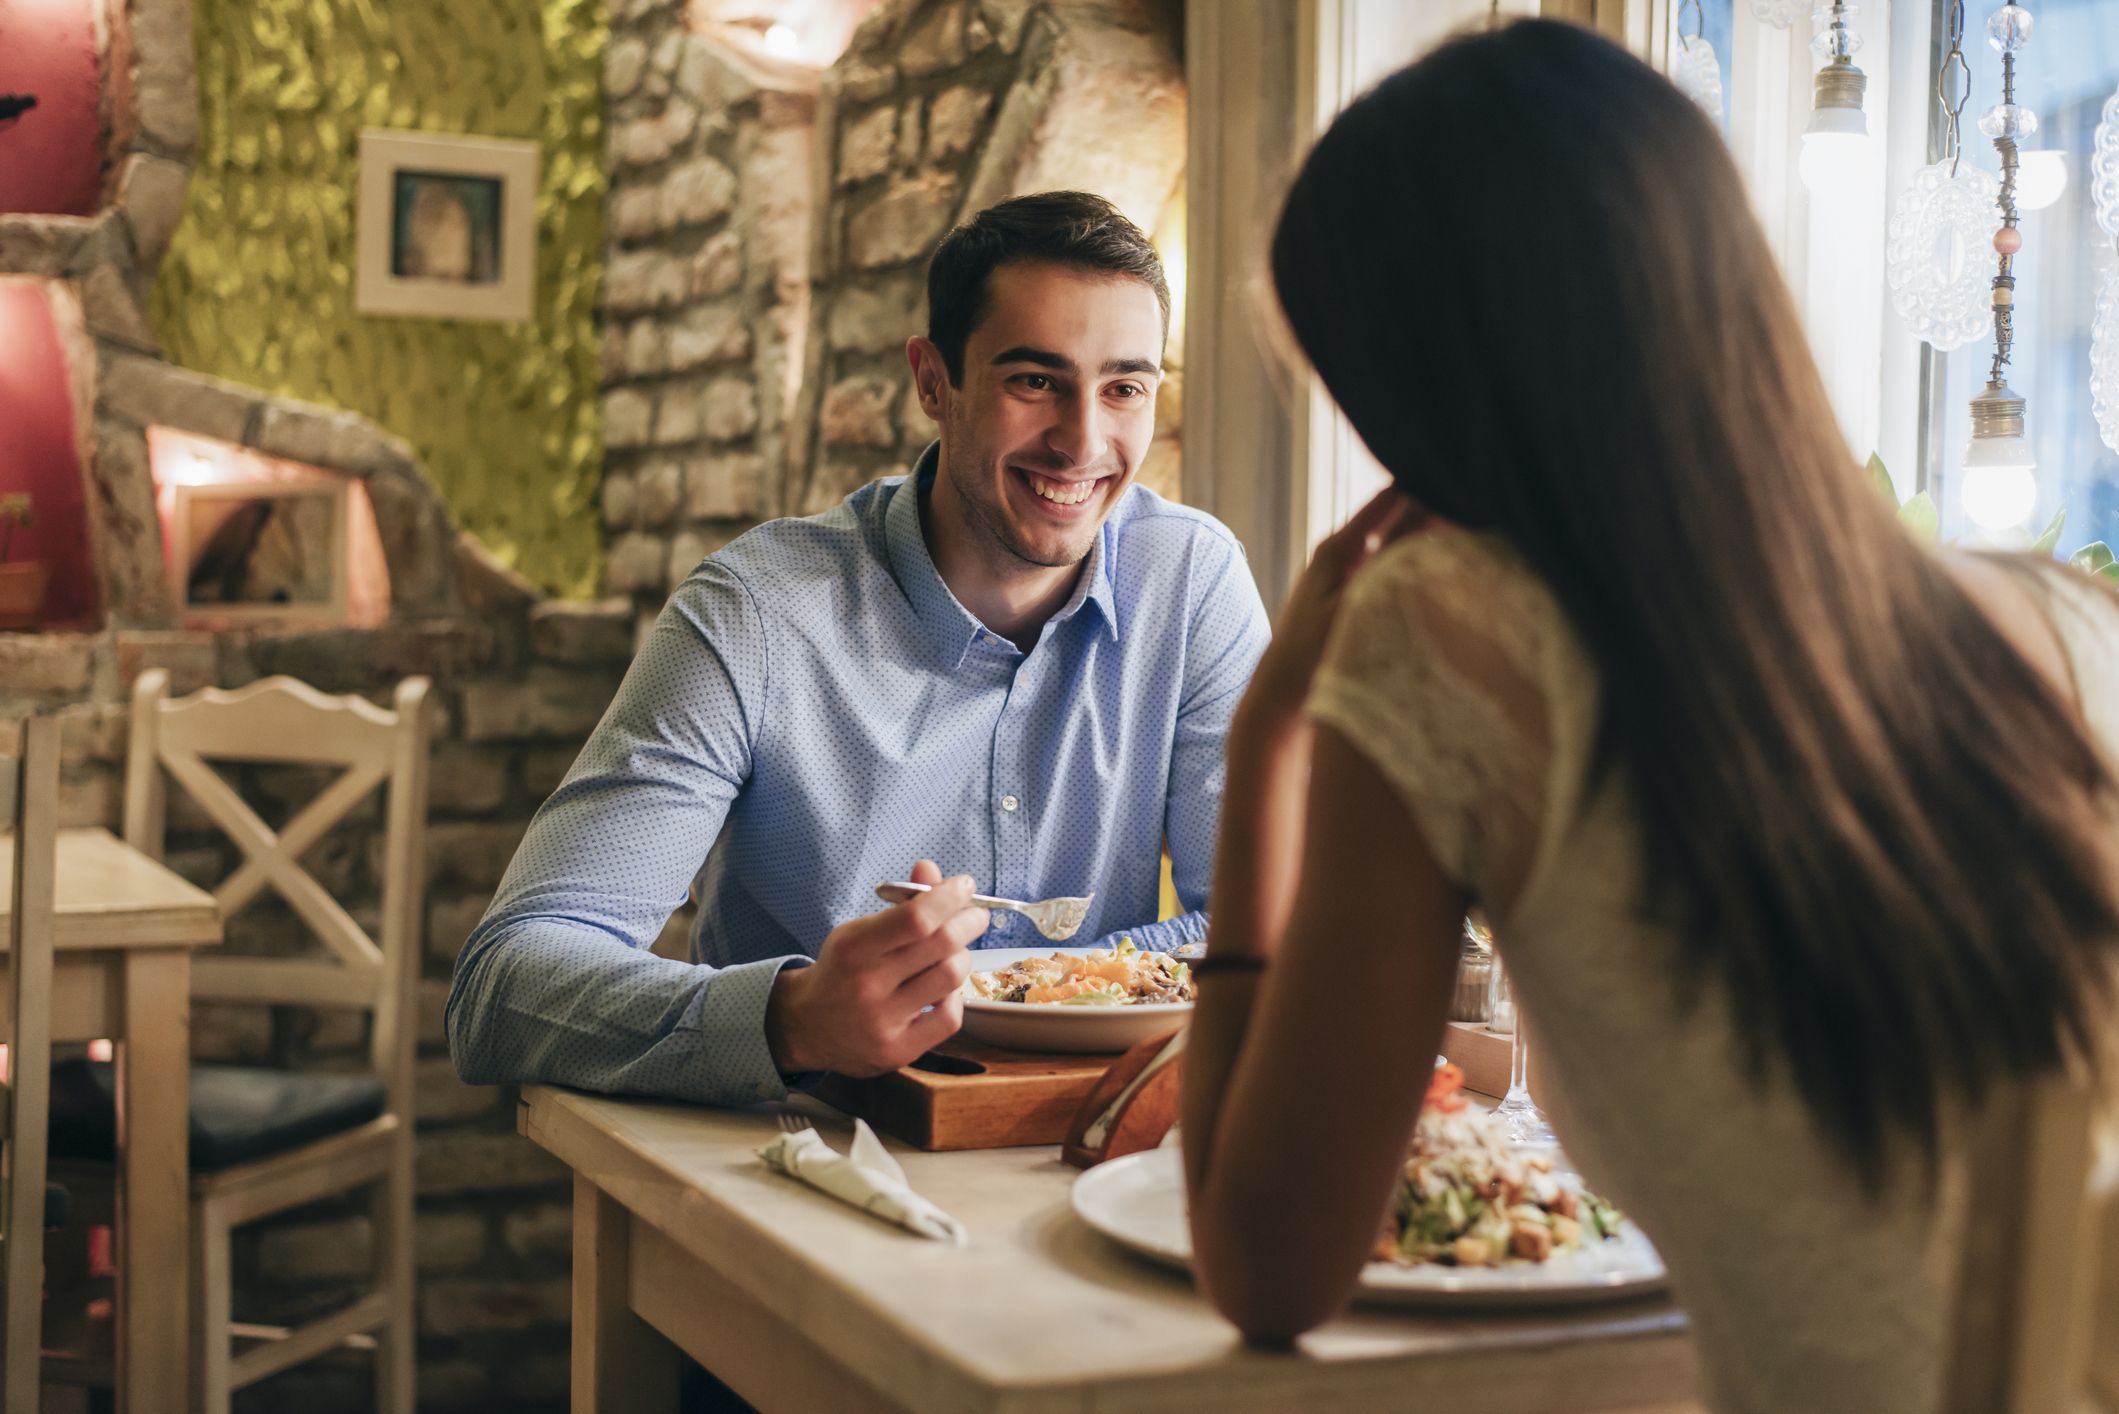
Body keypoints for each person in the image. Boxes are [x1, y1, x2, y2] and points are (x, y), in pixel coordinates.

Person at [1179, 21, 2119, 1414]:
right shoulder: (2055, 627)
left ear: (1424, 399)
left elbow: (1265, 1266)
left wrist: (1268, 745)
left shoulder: (1450, 630)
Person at [449, 190, 1268, 1106]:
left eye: (1124, 388)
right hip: (797, 1160)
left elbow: (1261, 926)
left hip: (1083, 1148)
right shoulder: (756, 613)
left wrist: (1045, 982)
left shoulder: (1191, 581)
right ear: (932, 382)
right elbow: (503, 987)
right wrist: (791, 1016)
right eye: (1033, 381)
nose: (1083, 441)